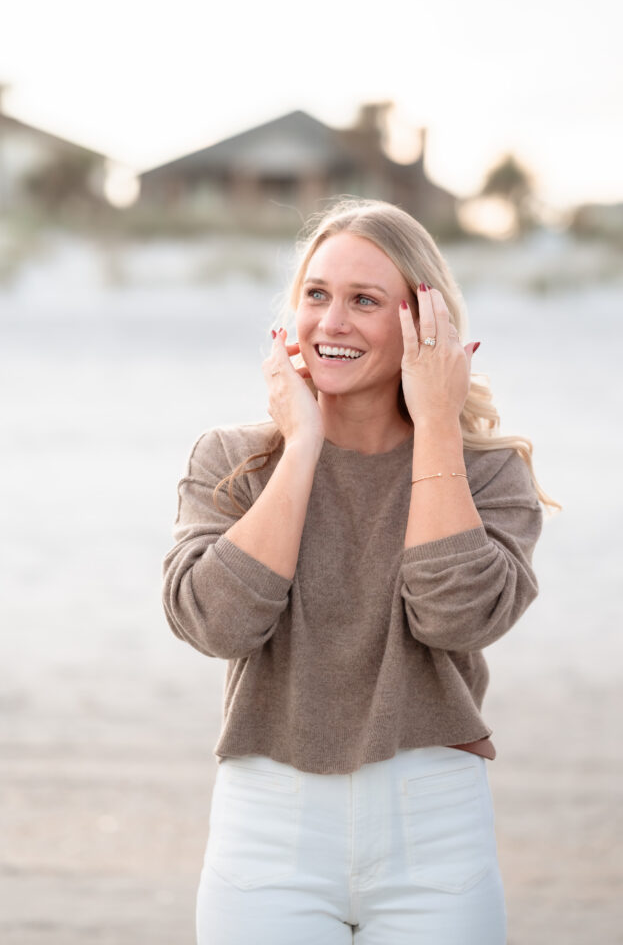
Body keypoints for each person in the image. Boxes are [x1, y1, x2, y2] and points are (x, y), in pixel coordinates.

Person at [162, 198, 559, 945]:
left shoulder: (488, 471)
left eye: (365, 301)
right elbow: (216, 624)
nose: (332, 322)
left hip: (434, 823)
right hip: (269, 821)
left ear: (424, 322)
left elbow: (457, 617)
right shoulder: (231, 459)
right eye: (316, 294)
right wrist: (301, 447)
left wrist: (436, 424)